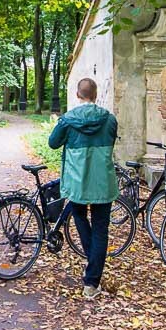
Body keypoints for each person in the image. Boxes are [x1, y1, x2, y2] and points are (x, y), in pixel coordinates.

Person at [47, 77, 118, 300]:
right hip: (102, 182)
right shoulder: (110, 120)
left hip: (77, 181)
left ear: (78, 95)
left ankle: (92, 262)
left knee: (79, 216)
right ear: (96, 95)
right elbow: (111, 141)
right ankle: (91, 282)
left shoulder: (67, 120)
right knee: (101, 228)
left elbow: (52, 143)